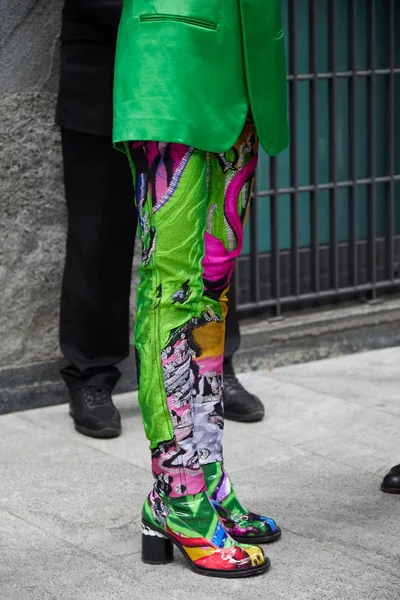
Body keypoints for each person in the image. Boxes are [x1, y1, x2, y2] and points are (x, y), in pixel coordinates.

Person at [113, 0, 290, 577]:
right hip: (173, 60)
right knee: (175, 286)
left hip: (243, 64)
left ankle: (206, 477)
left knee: (213, 287)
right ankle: (177, 490)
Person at [56, 0, 265, 441]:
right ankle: (91, 375)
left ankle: (214, 363)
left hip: (194, 79)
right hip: (105, 76)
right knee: (97, 235)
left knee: (212, 239)